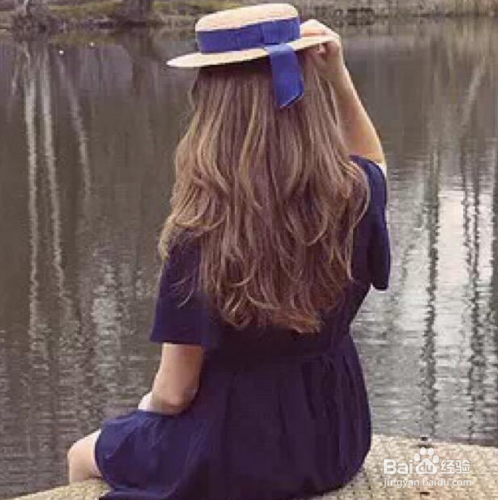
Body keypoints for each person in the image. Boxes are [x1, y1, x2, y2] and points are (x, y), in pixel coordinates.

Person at [66, 3, 390, 500]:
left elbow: (176, 393)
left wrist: (144, 410)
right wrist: (340, 81)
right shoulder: (354, 194)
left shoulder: (202, 231)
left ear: (211, 102)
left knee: (83, 454)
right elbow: (373, 162)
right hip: (335, 439)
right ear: (306, 88)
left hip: (237, 453)